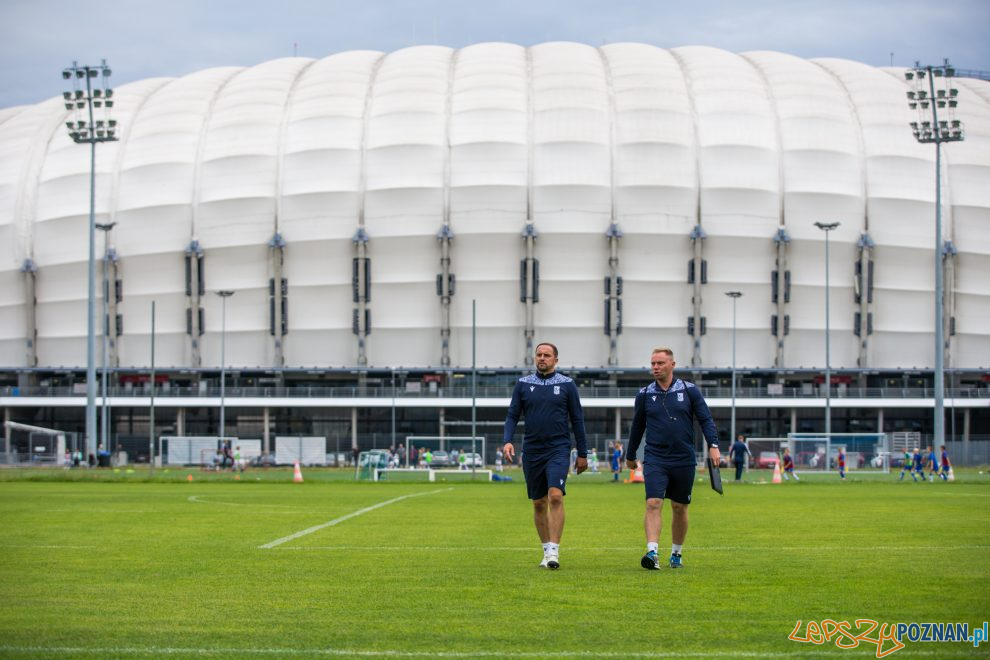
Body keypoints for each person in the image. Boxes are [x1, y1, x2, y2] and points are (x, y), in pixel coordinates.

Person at [626, 347, 720, 570]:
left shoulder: (690, 391)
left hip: (683, 458)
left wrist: (713, 446)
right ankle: (653, 552)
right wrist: (631, 455)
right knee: (653, 503)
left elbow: (706, 420)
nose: (655, 368)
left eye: (660, 363)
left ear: (672, 365)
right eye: (653, 364)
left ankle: (676, 554)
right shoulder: (645, 394)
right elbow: (637, 426)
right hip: (655, 458)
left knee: (679, 507)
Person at [503, 342, 587, 570]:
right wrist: (507, 440)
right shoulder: (523, 384)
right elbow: (512, 415)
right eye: (539, 355)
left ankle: (554, 551)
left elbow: (577, 419)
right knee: (539, 503)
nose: (542, 358)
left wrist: (583, 453)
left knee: (556, 496)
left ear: (555, 360)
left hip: (558, 449)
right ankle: (545, 549)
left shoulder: (567, 385)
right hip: (532, 451)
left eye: (546, 355)